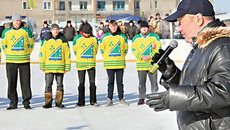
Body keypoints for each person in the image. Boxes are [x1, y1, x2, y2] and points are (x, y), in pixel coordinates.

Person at [146, 0, 230, 129]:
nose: (178, 28)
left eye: (181, 21)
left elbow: (223, 92)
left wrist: (175, 98)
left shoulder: (222, 47)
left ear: (198, 19)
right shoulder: (202, 46)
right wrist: (172, 74)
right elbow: (197, 85)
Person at [1, 13, 34, 110]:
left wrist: (26, 53)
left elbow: (31, 44)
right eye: (16, 20)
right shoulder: (6, 32)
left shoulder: (26, 31)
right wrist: (8, 53)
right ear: (12, 21)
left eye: (19, 21)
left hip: (24, 60)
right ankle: (13, 102)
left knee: (25, 82)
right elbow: (3, 45)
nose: (18, 22)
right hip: (11, 61)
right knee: (11, 82)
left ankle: (26, 102)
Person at [39, 24, 71, 108]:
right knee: (48, 85)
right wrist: (42, 65)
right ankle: (48, 103)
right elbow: (42, 53)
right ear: (51, 30)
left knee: (60, 85)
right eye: (54, 29)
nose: (55, 31)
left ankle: (58, 102)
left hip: (60, 67)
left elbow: (67, 54)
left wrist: (67, 66)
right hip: (49, 67)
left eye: (57, 29)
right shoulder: (46, 40)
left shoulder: (63, 40)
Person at [131, 21, 162, 105]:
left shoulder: (155, 37)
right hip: (141, 64)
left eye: (145, 27)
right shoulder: (136, 38)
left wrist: (150, 56)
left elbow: (158, 49)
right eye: (142, 28)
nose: (144, 29)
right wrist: (141, 56)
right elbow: (134, 50)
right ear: (140, 28)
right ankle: (141, 98)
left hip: (152, 64)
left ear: (148, 28)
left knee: (154, 82)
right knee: (141, 83)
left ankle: (155, 97)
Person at [100, 20, 129, 107]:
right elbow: (102, 49)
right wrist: (107, 57)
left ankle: (121, 98)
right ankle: (110, 99)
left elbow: (125, 49)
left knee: (120, 82)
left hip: (120, 63)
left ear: (117, 27)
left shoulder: (122, 36)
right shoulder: (105, 37)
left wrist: (120, 57)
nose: (113, 28)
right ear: (109, 26)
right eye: (112, 26)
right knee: (110, 82)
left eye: (115, 26)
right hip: (109, 63)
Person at [72, 24, 98, 107]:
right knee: (81, 83)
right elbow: (75, 50)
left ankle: (93, 101)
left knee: (92, 83)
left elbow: (95, 50)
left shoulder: (94, 39)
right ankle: (81, 102)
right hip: (80, 64)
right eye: (85, 33)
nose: (87, 35)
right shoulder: (77, 38)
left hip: (91, 64)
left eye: (88, 33)